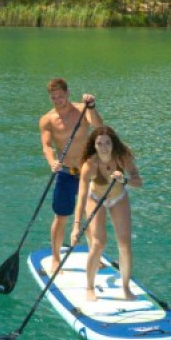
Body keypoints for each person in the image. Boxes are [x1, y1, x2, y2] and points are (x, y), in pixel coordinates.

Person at [73, 125, 142, 302]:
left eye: (107, 143)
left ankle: (125, 287)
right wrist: (76, 226)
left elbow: (138, 181)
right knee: (98, 243)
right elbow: (81, 195)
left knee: (125, 244)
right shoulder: (90, 164)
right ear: (94, 145)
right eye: (99, 143)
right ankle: (89, 287)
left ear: (113, 143)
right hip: (95, 198)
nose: (104, 147)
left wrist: (124, 180)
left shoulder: (122, 158)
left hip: (118, 197)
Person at [39, 78, 102, 271]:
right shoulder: (47, 120)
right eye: (53, 97)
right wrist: (52, 161)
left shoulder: (83, 110)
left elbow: (100, 128)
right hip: (65, 173)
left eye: (60, 96)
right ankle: (56, 258)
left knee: (89, 214)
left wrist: (91, 106)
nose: (57, 100)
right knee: (61, 216)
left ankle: (94, 255)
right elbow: (47, 146)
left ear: (67, 93)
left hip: (86, 172)